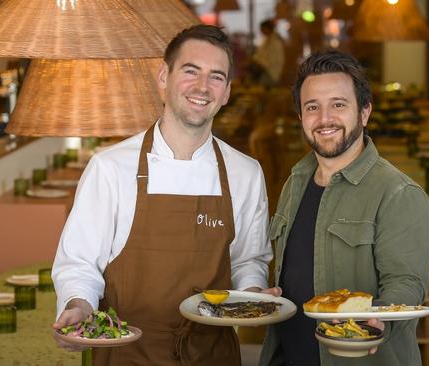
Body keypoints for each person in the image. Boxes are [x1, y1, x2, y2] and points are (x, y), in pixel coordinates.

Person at [51, 25, 274, 365]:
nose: (202, 87)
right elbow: (79, 264)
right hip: (127, 353)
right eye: (190, 71)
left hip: (212, 354)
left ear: (227, 92)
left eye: (216, 77)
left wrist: (254, 295)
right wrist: (78, 306)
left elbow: (248, 260)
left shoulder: (245, 172)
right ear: (163, 78)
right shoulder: (109, 167)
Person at [259, 51, 429, 365]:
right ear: (301, 116)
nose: (325, 118)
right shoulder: (295, 182)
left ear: (364, 113)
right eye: (312, 107)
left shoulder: (398, 193)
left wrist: (376, 323)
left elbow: (407, 285)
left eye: (338, 105)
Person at [250, 19, 285, 87]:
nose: (261, 31)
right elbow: (259, 56)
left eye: (262, 29)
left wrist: (257, 63)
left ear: (267, 28)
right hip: (265, 72)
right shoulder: (268, 41)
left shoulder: (275, 42)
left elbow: (273, 61)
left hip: (270, 74)